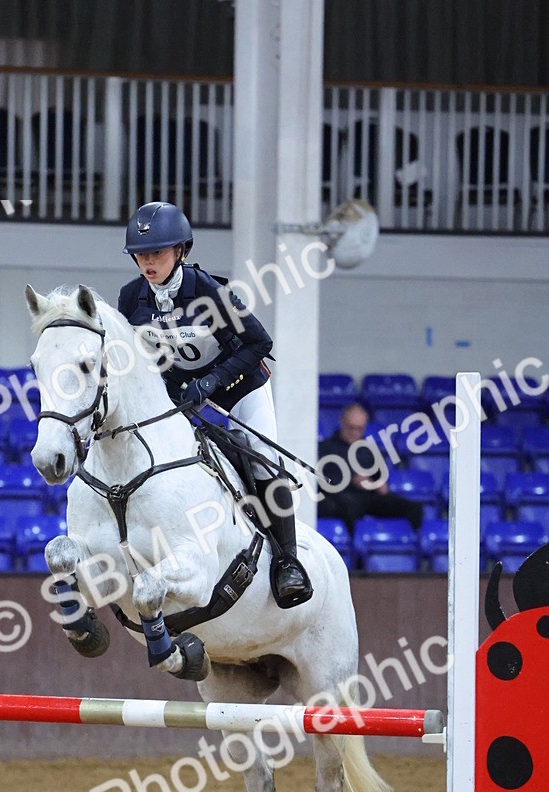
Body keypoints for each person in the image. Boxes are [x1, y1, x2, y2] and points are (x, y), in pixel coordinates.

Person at [117, 200, 311, 609]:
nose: (148, 262)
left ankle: (289, 563)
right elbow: (135, 360)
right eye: (141, 255)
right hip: (184, 395)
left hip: (239, 387)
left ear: (180, 251)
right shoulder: (131, 298)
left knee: (261, 460)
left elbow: (260, 343)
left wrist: (211, 381)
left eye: (157, 253)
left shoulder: (209, 292)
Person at [318, 402, 423, 532]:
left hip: (368, 497)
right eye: (351, 428)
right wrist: (353, 480)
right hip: (340, 497)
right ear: (341, 422)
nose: (355, 433)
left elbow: (380, 478)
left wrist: (379, 484)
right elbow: (322, 481)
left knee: (413, 508)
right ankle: (356, 547)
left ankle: (405, 543)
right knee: (347, 505)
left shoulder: (369, 449)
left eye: (359, 429)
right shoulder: (325, 448)